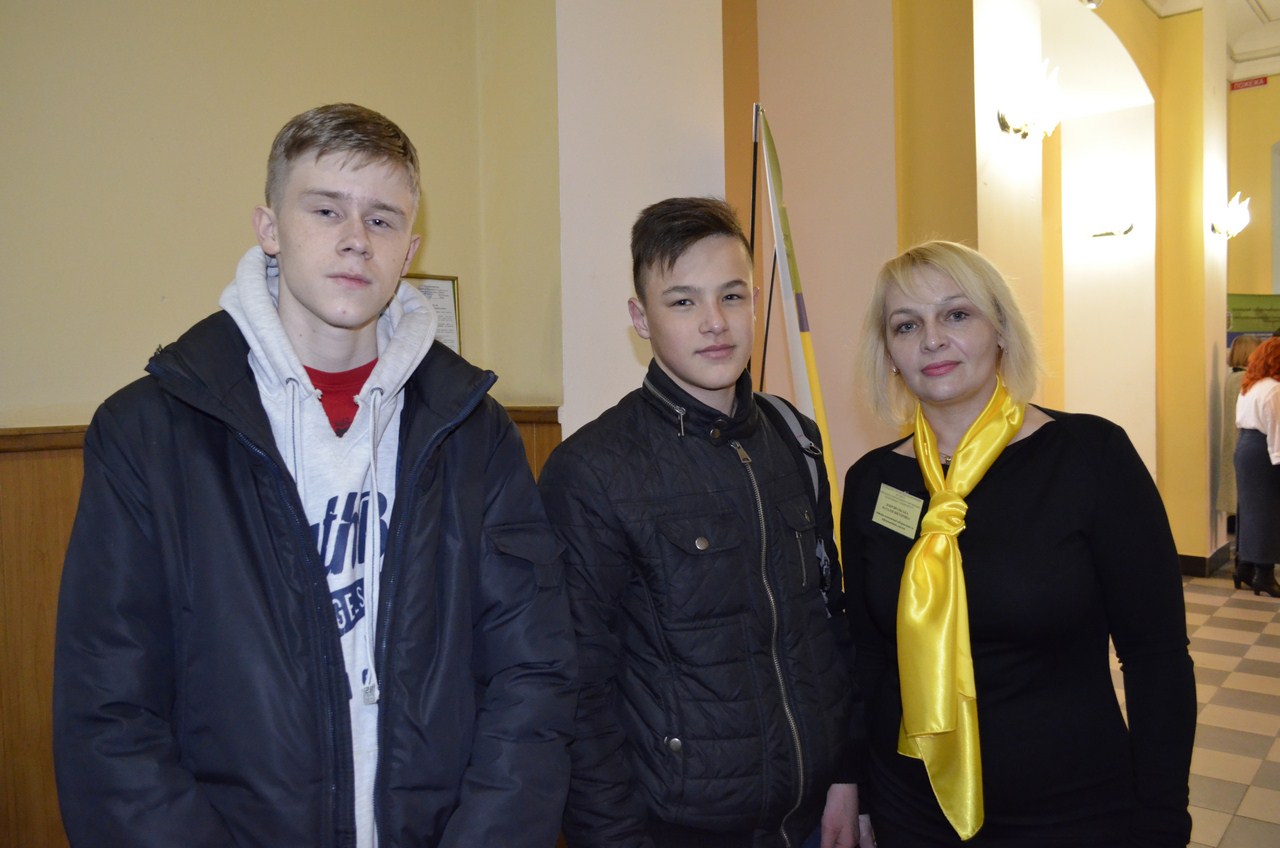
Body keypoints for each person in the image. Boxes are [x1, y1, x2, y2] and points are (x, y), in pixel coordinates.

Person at [53, 103, 576, 848]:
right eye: (326, 209)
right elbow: (108, 714)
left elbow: (532, 675)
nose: (356, 238)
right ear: (269, 228)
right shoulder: (148, 431)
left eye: (382, 219)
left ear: (409, 250)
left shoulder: (473, 430)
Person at [841, 241, 1195, 847]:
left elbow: (1155, 655)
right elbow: (869, 657)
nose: (932, 340)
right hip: (911, 810)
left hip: (1071, 810)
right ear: (889, 353)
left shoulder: (1090, 457)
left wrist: (1162, 818)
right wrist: (862, 793)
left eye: (957, 314)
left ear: (1001, 329)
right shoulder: (873, 480)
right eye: (907, 325)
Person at [538, 197, 864, 848]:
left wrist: (849, 776)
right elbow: (579, 689)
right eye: (683, 301)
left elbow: (829, 620)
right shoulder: (592, 470)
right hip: (679, 827)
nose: (715, 323)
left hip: (814, 818)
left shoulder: (794, 437)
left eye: (732, 296)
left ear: (754, 303)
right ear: (641, 318)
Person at [1234, 336, 1280, 598]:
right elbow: (1277, 428)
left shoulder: (1250, 385)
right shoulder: (1274, 389)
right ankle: (1264, 575)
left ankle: (1244, 567)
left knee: (1250, 509)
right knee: (1267, 512)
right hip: (1263, 450)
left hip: (1246, 447)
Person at [1220, 334, 1261, 588]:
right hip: (1246, 449)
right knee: (1250, 511)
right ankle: (1247, 562)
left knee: (1245, 510)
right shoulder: (1246, 380)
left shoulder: (1232, 379)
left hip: (1235, 448)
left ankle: (1244, 562)